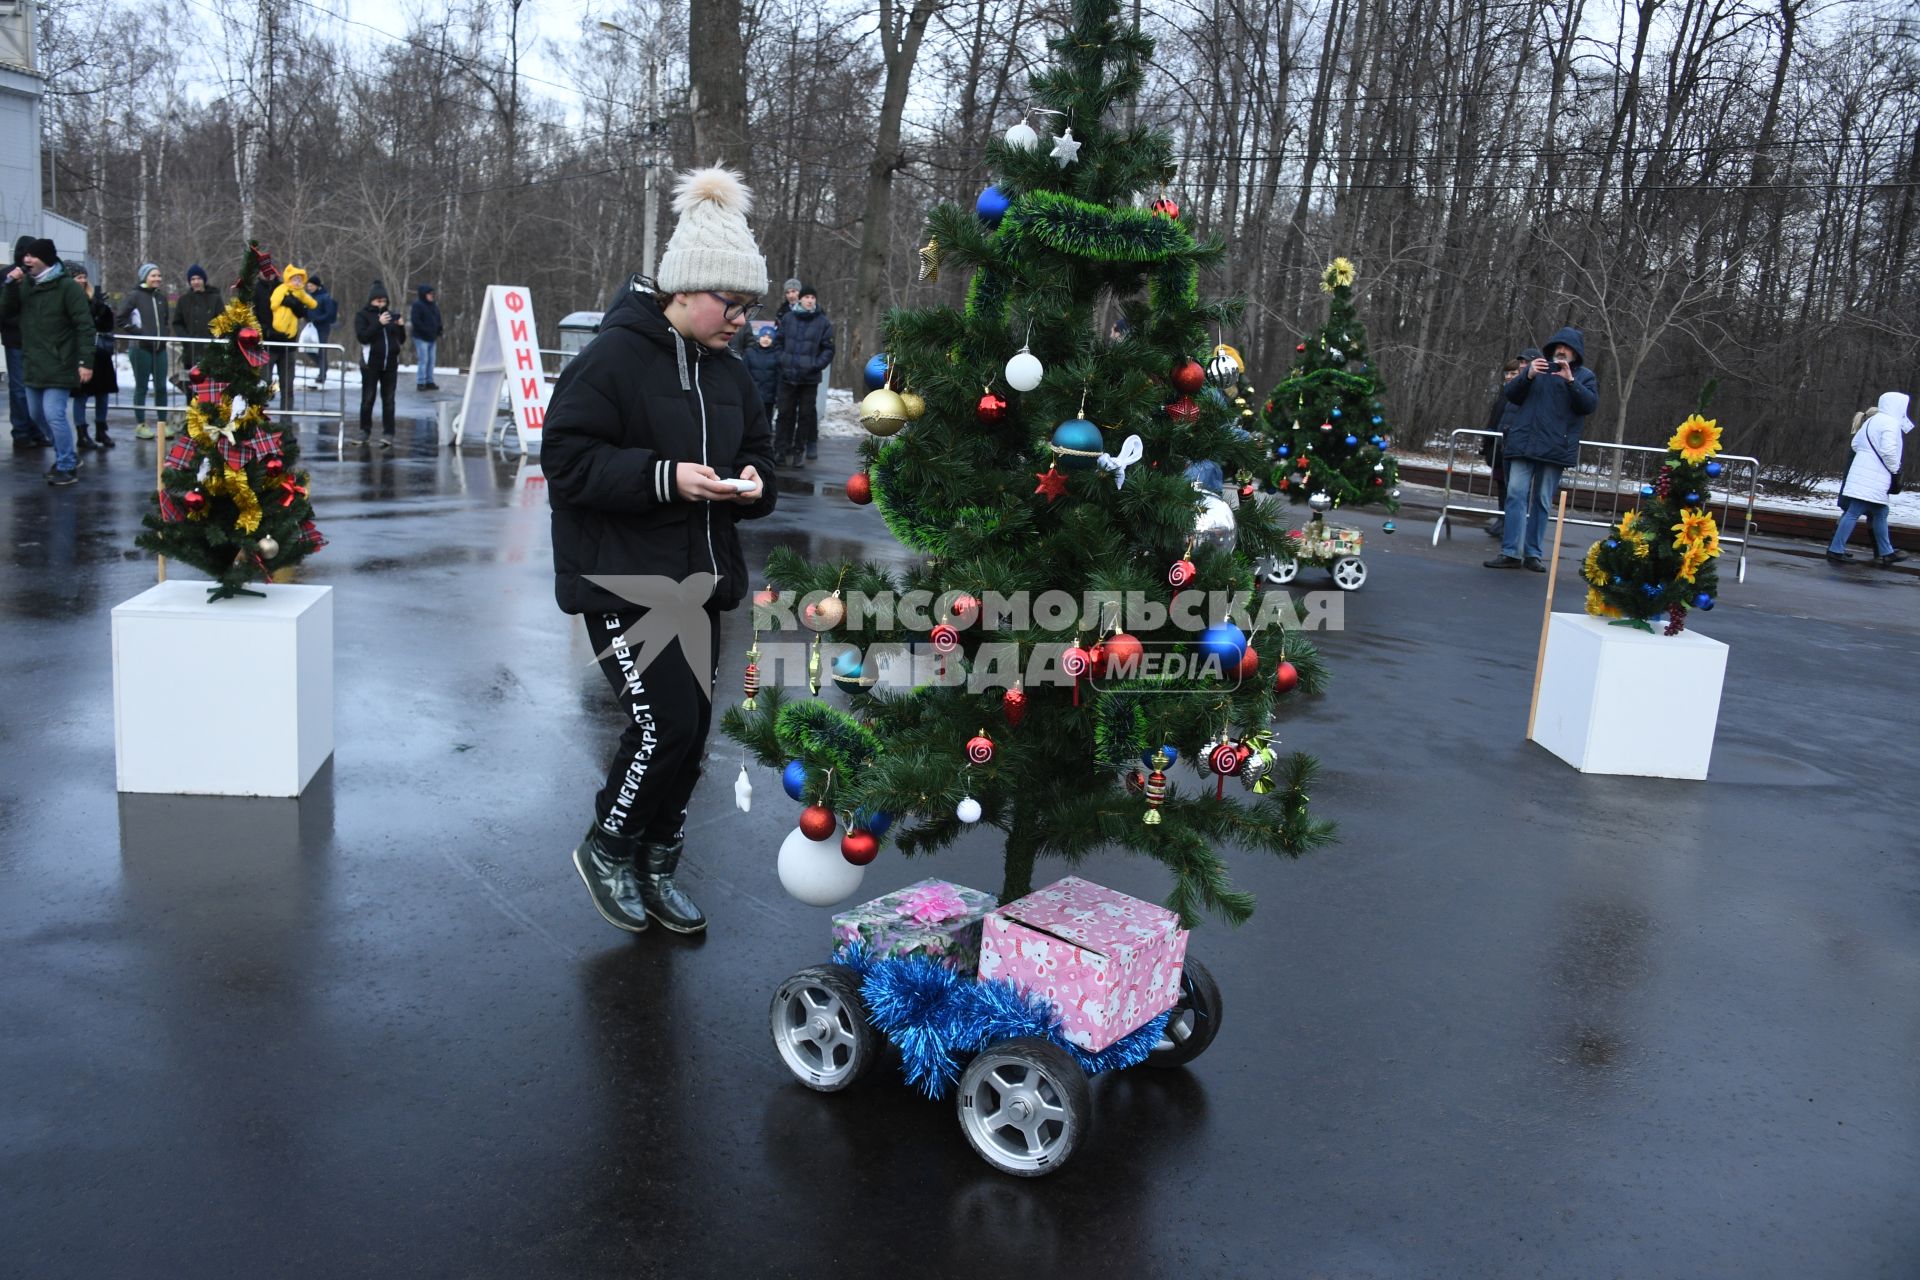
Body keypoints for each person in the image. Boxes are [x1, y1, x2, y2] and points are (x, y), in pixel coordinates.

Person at [543, 166, 778, 936]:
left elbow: (762, 460)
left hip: (702, 583)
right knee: (662, 727)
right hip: (624, 579)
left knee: (694, 733)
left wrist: (752, 483)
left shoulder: (734, 376)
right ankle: (609, 845)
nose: (741, 319)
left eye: (749, 306)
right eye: (729, 302)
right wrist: (664, 478)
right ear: (683, 290)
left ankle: (656, 858)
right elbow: (568, 461)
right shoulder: (613, 360)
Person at [1485, 326, 1597, 572]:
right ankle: (1510, 552)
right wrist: (1528, 375)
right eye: (1558, 347)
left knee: (1542, 501)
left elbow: (1588, 405)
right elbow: (1511, 395)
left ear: (1575, 354)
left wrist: (1570, 381)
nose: (1561, 351)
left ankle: (1533, 553)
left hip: (1555, 447)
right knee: (1515, 495)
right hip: (1524, 442)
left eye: (1566, 349)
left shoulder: (1584, 376)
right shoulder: (1537, 368)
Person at [0, 238, 94, 486]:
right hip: (33, 362)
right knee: (36, 415)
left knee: (54, 414)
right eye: (25, 256)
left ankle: (66, 465)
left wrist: (85, 361)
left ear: (46, 259)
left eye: (32, 256)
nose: (26, 260)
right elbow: (5, 312)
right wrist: (10, 285)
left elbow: (85, 325)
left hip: (60, 362)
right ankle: (68, 454)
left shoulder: (67, 288)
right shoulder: (25, 285)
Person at [1827, 391, 1912, 568]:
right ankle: (1836, 550)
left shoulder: (1872, 420)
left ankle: (1886, 552)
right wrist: (1895, 470)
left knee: (1879, 513)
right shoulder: (1891, 423)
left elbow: (1856, 444)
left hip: (1862, 474)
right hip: (1874, 477)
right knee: (1856, 512)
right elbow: (1889, 451)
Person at [772, 283, 832, 468]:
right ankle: (781, 451)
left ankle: (799, 452)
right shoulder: (788, 318)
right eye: (807, 297)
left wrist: (815, 365)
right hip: (787, 376)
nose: (810, 300)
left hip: (809, 379)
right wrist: (782, 360)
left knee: (805, 416)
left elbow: (828, 349)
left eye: (813, 298)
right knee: (784, 414)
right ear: (801, 299)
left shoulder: (822, 322)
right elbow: (778, 343)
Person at [116, 262, 172, 439]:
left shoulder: (162, 298)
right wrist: (139, 332)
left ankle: (162, 424)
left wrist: (164, 334)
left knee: (161, 387)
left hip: (160, 348)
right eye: (153, 275)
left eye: (159, 275)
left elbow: (165, 321)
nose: (157, 279)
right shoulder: (135, 296)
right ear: (144, 277)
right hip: (140, 348)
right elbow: (121, 318)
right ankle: (140, 425)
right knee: (141, 387)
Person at [67, 265, 119, 450]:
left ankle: (101, 429)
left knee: (102, 393)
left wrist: (102, 309)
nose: (82, 281)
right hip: (80, 352)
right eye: (78, 277)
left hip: (100, 353)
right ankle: (82, 433)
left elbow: (107, 326)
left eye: (84, 277)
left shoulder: (93, 299)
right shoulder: (67, 298)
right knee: (82, 395)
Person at [1481, 353, 1531, 538]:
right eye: (1507, 373)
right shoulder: (1504, 394)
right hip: (1498, 445)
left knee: (1513, 489)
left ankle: (1509, 523)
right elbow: (1496, 419)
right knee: (1501, 485)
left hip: (1511, 446)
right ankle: (1502, 519)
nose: (1509, 377)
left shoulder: (1520, 395)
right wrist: (1487, 443)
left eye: (1513, 373)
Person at [6, 236, 49, 448]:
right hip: (16, 340)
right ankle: (22, 432)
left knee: (34, 389)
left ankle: (34, 430)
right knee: (20, 389)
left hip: (35, 341)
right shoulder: (9, 277)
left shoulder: (36, 278)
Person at [353, 281, 406, 447]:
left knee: (389, 400)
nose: (381, 304)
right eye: (378, 301)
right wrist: (378, 323)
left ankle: (388, 433)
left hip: (390, 364)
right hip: (371, 364)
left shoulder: (391, 316)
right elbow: (363, 337)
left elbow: (400, 340)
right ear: (371, 301)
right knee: (368, 398)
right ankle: (365, 431)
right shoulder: (362, 315)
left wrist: (401, 327)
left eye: (384, 301)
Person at [269, 265, 316, 410]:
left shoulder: (299, 292)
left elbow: (309, 303)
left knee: (288, 385)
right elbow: (274, 302)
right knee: (265, 380)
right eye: (294, 279)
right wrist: (280, 302)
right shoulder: (281, 289)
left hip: (289, 340)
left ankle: (286, 422)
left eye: (299, 280)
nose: (297, 283)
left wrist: (302, 305)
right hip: (273, 337)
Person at [171, 263, 224, 345]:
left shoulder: (215, 299)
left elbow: (223, 321)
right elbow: (177, 323)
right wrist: (186, 339)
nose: (196, 282)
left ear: (204, 280)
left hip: (211, 347)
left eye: (199, 278)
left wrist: (214, 339)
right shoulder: (183, 300)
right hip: (190, 348)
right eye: (193, 279)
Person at [742, 323, 780, 425]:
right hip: (753, 395)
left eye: (769, 337)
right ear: (759, 337)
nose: (765, 339)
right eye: (763, 336)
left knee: (766, 419)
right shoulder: (750, 353)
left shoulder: (776, 355)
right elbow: (744, 374)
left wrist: (777, 395)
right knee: (750, 419)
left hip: (769, 397)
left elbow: (778, 377)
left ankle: (765, 439)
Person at [304, 275, 338, 388]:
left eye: (311, 285)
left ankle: (322, 374)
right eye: (308, 285)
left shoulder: (325, 297)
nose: (309, 287)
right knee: (307, 348)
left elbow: (329, 313)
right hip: (310, 327)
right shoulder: (308, 296)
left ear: (317, 286)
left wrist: (318, 319)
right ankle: (322, 366)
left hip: (322, 327)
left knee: (321, 350)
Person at [409, 284, 442, 391]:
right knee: (424, 359)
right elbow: (416, 321)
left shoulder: (433, 306)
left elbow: (437, 318)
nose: (432, 296)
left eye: (432, 294)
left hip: (432, 337)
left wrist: (439, 329)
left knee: (431, 360)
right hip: (421, 337)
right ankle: (421, 381)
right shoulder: (418, 305)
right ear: (424, 294)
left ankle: (429, 381)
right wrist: (426, 331)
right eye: (429, 294)